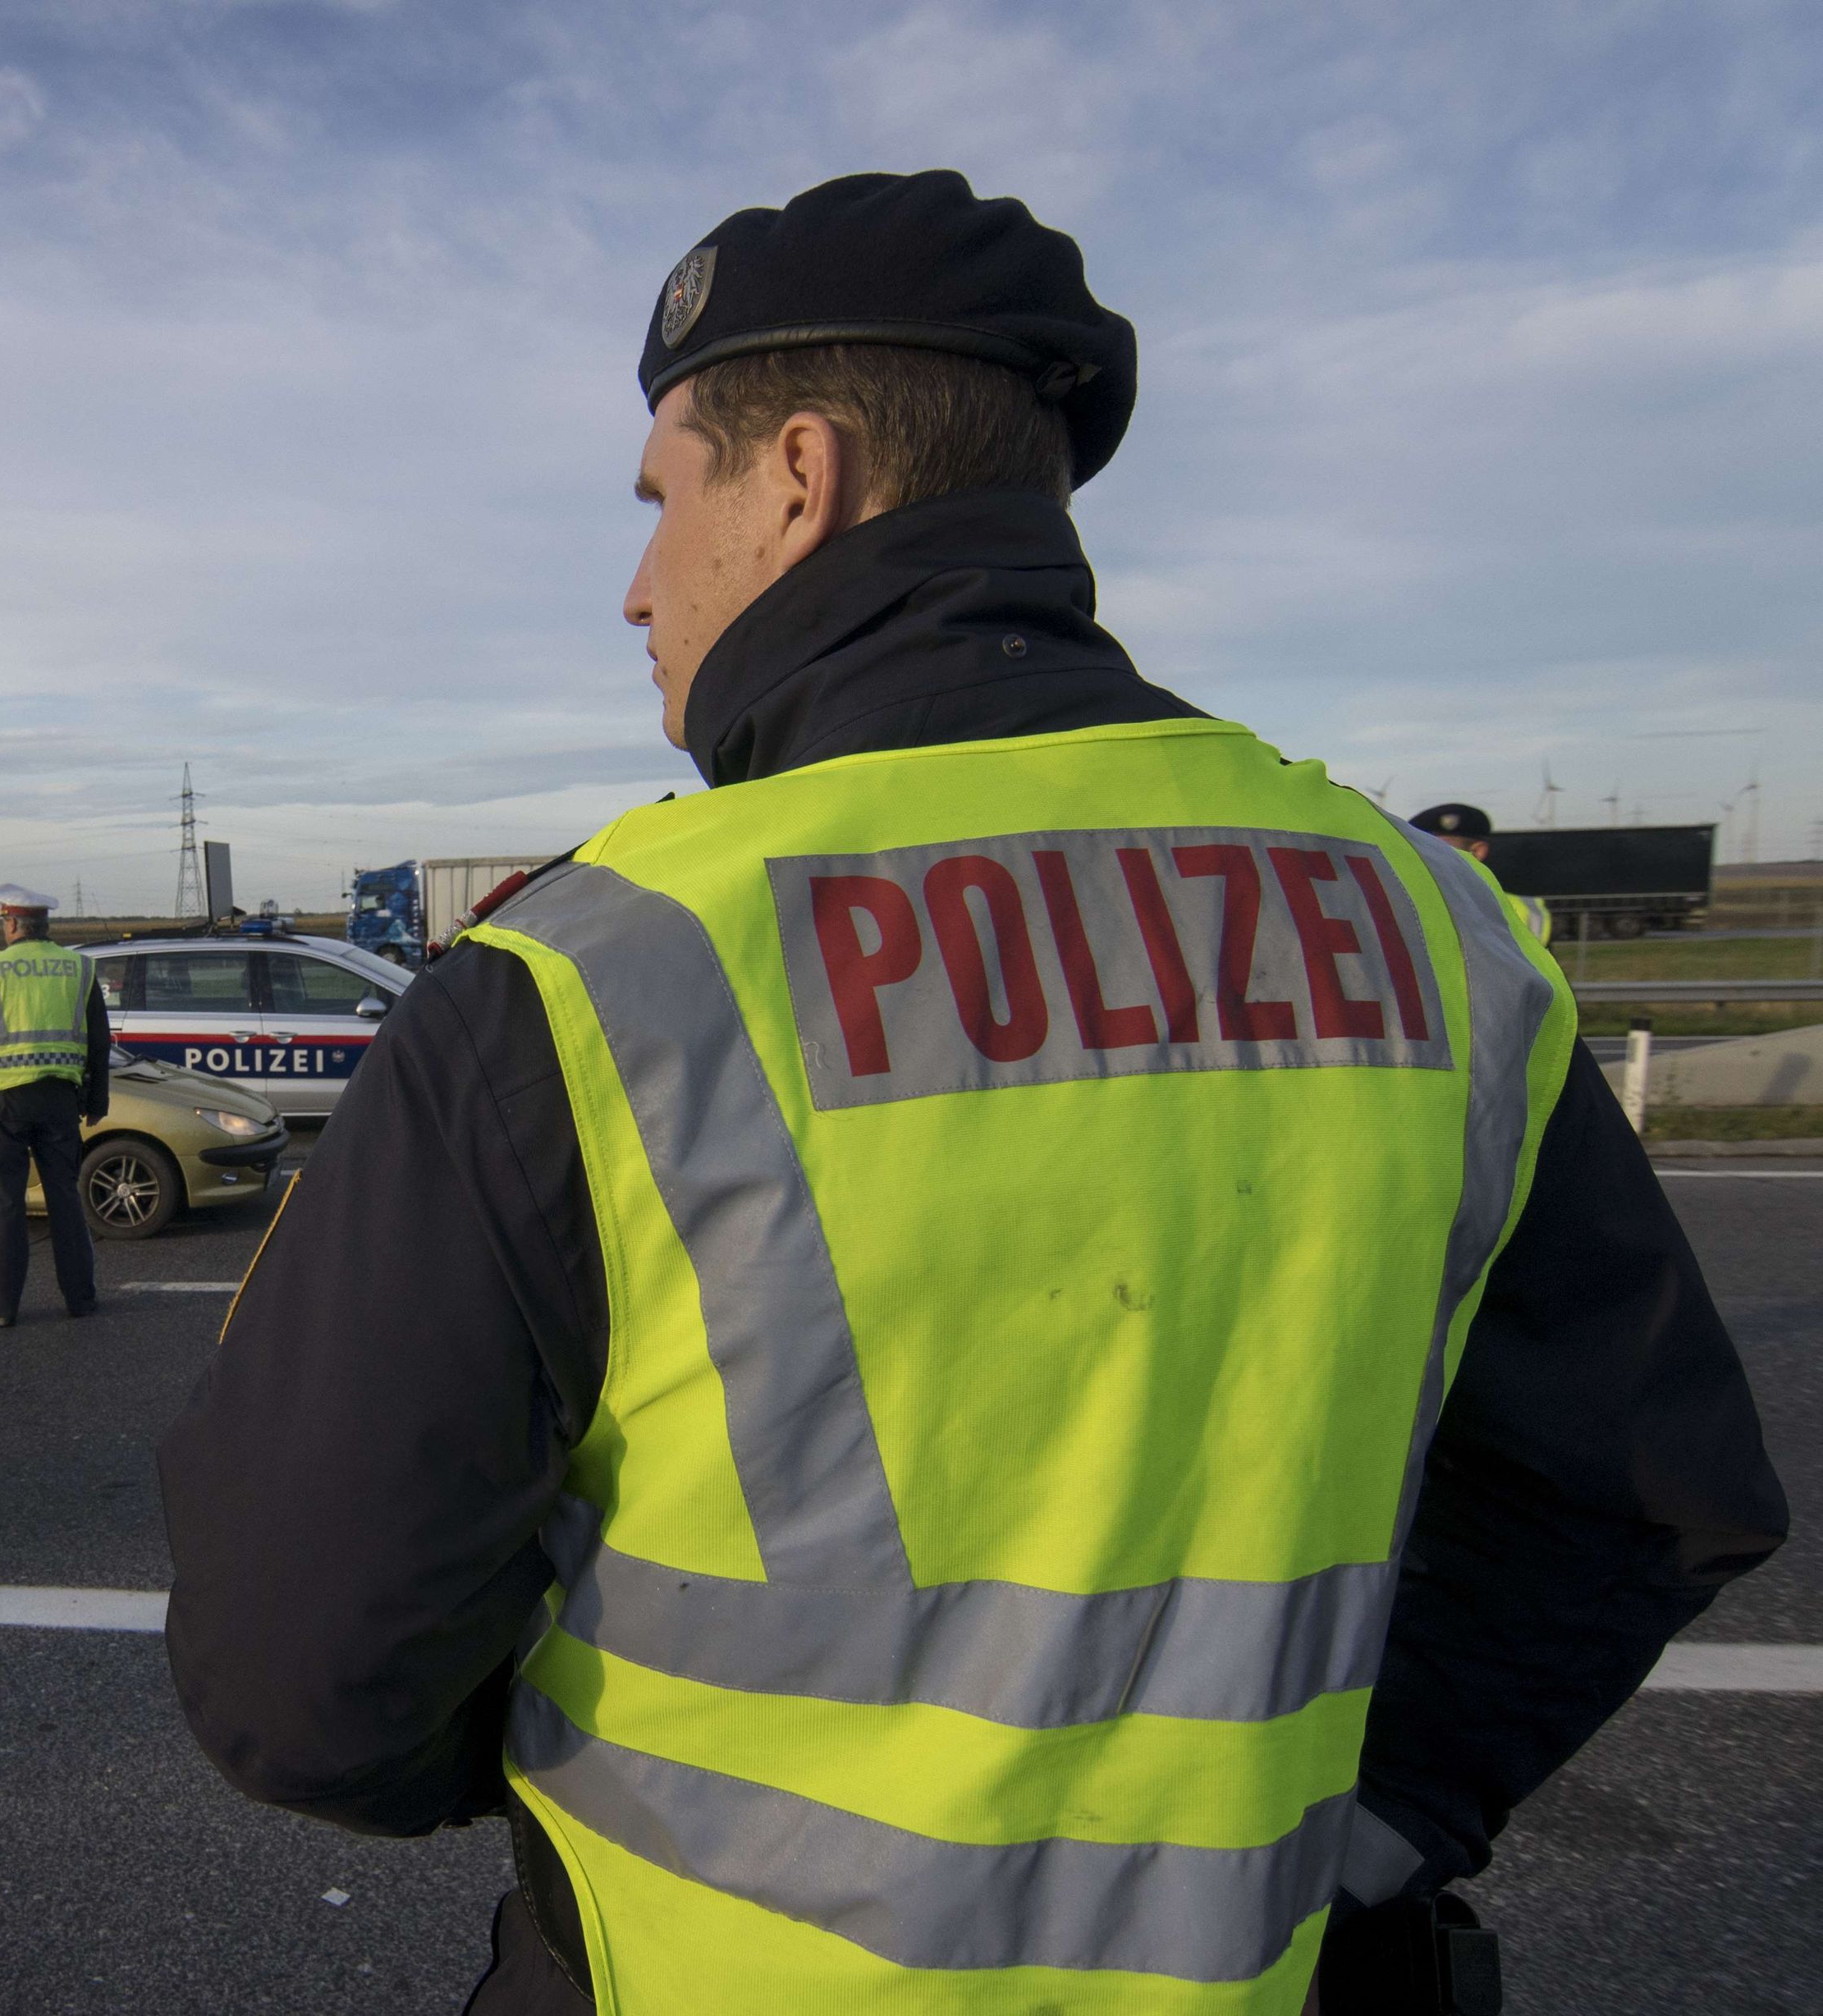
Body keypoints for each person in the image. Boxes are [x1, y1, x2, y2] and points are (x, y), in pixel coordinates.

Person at [158, 173, 1785, 2014]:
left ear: (793, 477)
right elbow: (1641, 1495)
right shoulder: (1435, 933)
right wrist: (1352, 1827)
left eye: (655, 499)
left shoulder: (605, 972)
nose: (630, 585)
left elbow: (301, 1684)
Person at [0, 883, 109, 1328]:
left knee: (4, 1204)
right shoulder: (79, 968)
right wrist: (97, 1102)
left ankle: (0, 1307)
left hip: (4, 1103)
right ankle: (80, 1299)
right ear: (45, 926)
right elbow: (99, 1042)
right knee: (66, 1199)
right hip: (61, 1101)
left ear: (13, 923)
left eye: (4, 922)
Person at [1412, 802, 1556, 941]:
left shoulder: (1521, 911)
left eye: (1436, 850)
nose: (1424, 858)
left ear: (1477, 851)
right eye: (1417, 849)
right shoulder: (1404, 904)